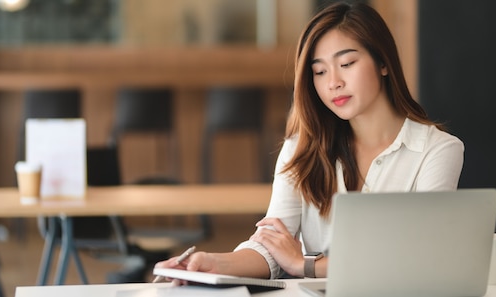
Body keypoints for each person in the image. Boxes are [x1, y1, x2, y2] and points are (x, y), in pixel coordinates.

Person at [155, 1, 464, 280]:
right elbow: (271, 248)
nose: (333, 83)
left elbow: (422, 257)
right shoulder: (301, 149)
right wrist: (210, 263)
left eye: (347, 64)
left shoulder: (437, 151)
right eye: (319, 71)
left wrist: (305, 265)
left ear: (383, 62)